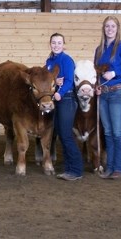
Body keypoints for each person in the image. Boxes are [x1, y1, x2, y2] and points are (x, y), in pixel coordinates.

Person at [94, 16, 121, 180]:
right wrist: (97, 85)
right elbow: (96, 70)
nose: (109, 29)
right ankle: (110, 166)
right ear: (103, 29)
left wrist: (115, 73)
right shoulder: (99, 49)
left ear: (117, 29)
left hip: (118, 92)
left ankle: (119, 167)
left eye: (112, 26)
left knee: (118, 132)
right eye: (107, 26)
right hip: (103, 93)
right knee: (108, 132)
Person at [44, 33, 83, 181]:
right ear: (50, 44)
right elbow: (47, 79)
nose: (56, 45)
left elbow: (68, 81)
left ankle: (76, 169)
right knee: (61, 134)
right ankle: (69, 169)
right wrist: (54, 80)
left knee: (66, 135)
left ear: (64, 45)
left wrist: (60, 92)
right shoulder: (49, 61)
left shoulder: (66, 60)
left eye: (59, 43)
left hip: (66, 99)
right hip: (56, 100)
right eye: (54, 42)